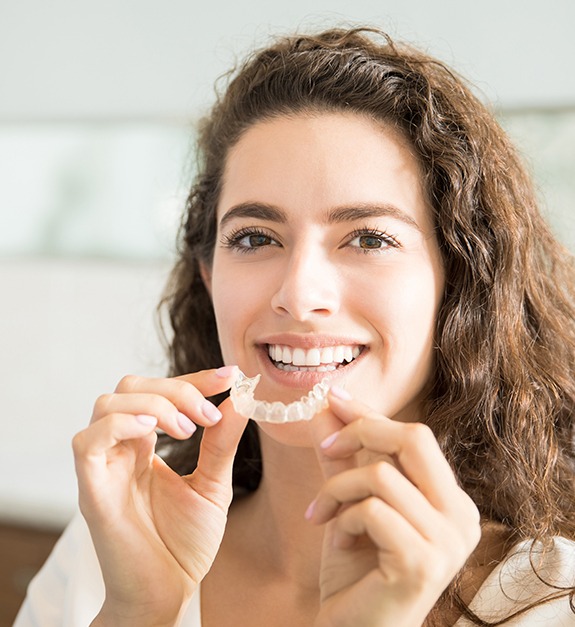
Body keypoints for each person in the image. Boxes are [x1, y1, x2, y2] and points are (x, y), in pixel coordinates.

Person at [16, 26, 575, 627]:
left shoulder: (550, 601)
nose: (299, 295)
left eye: (368, 238)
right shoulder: (111, 549)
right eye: (255, 238)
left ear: (459, 281)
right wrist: (139, 610)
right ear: (209, 278)